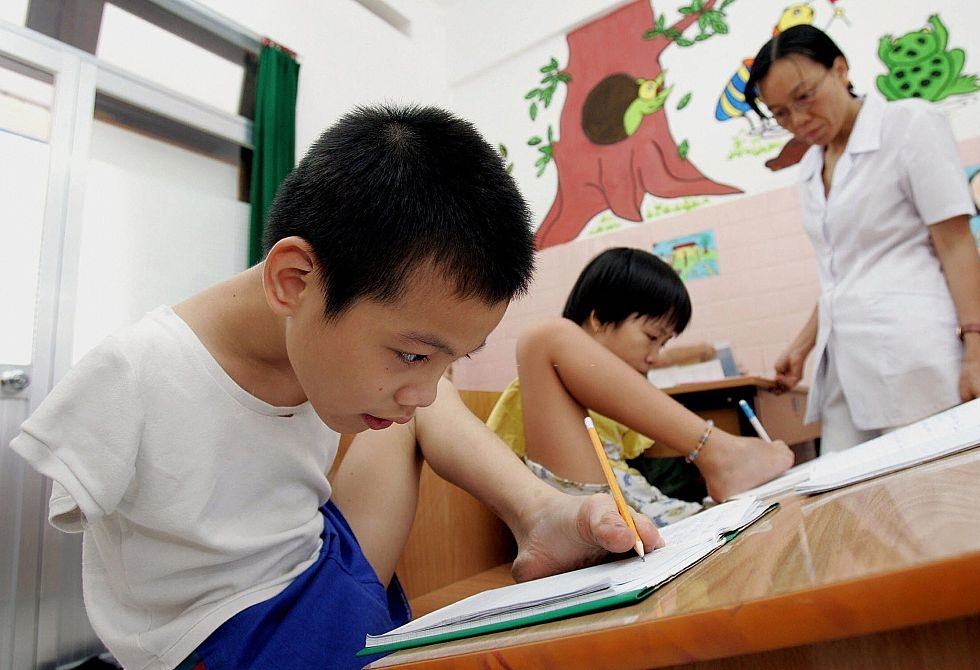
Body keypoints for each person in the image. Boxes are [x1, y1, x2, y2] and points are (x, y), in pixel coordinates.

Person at [8, 105, 664, 670]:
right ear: (293, 281)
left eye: (448, 361)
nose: (426, 390)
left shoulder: (324, 346)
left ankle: (539, 513)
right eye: (413, 353)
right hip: (228, 635)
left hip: (327, 568)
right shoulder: (138, 372)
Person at [743, 25, 980, 453]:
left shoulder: (908, 124)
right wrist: (802, 345)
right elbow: (842, 274)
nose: (797, 121)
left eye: (804, 97)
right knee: (861, 505)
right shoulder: (812, 167)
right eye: (780, 114)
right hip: (846, 366)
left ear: (840, 69)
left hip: (915, 351)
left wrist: (979, 349)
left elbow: (956, 243)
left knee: (942, 496)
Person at [486, 247, 794, 525]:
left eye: (663, 344)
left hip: (645, 510)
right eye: (651, 337)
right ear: (600, 318)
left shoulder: (622, 392)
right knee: (545, 336)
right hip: (587, 510)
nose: (654, 356)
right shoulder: (545, 381)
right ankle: (723, 454)